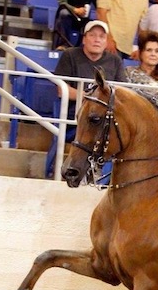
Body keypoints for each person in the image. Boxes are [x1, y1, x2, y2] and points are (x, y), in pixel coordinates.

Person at [46, 20, 126, 176]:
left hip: (105, 120)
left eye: (102, 36)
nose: (97, 40)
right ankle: (51, 173)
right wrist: (92, 99)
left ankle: (106, 180)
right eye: (92, 35)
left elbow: (121, 92)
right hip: (74, 115)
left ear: (106, 41)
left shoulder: (115, 61)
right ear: (84, 39)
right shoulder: (70, 55)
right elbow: (62, 90)